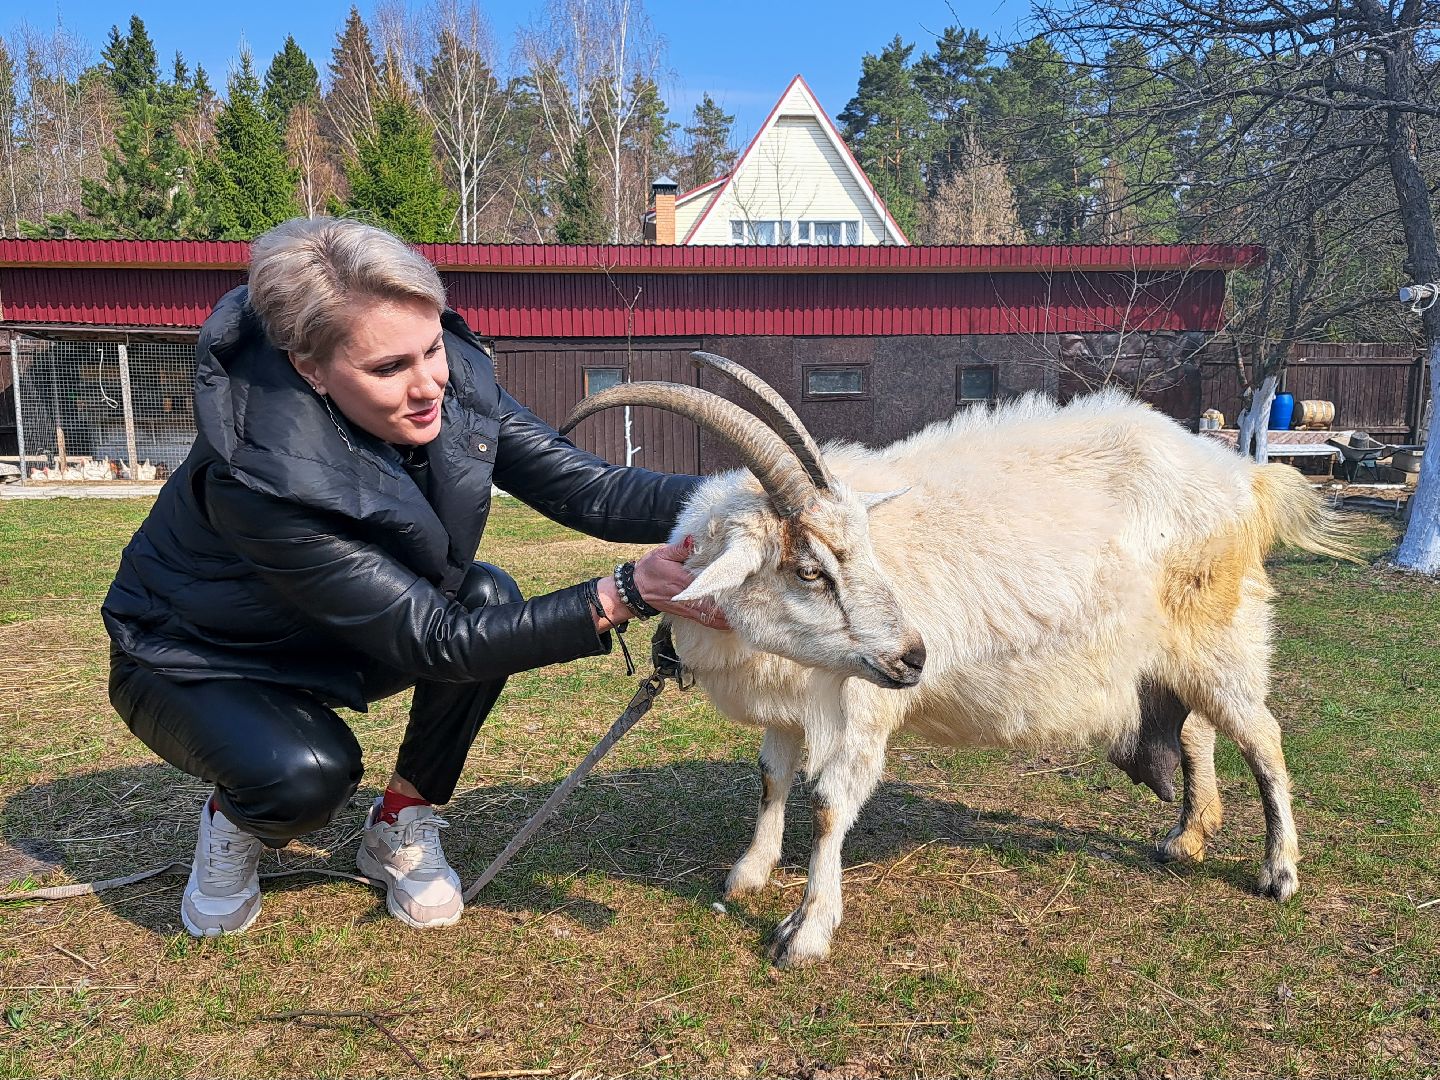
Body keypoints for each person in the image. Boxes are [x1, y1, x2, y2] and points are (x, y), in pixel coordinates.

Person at [102, 216, 723, 938]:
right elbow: (437, 642)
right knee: (307, 775)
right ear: (309, 367)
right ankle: (238, 818)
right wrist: (624, 593)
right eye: (389, 368)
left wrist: (744, 499)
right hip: (198, 657)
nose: (430, 384)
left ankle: (400, 818)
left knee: (488, 595)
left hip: (336, 630)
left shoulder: (450, 384)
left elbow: (588, 488)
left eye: (432, 348)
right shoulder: (258, 475)